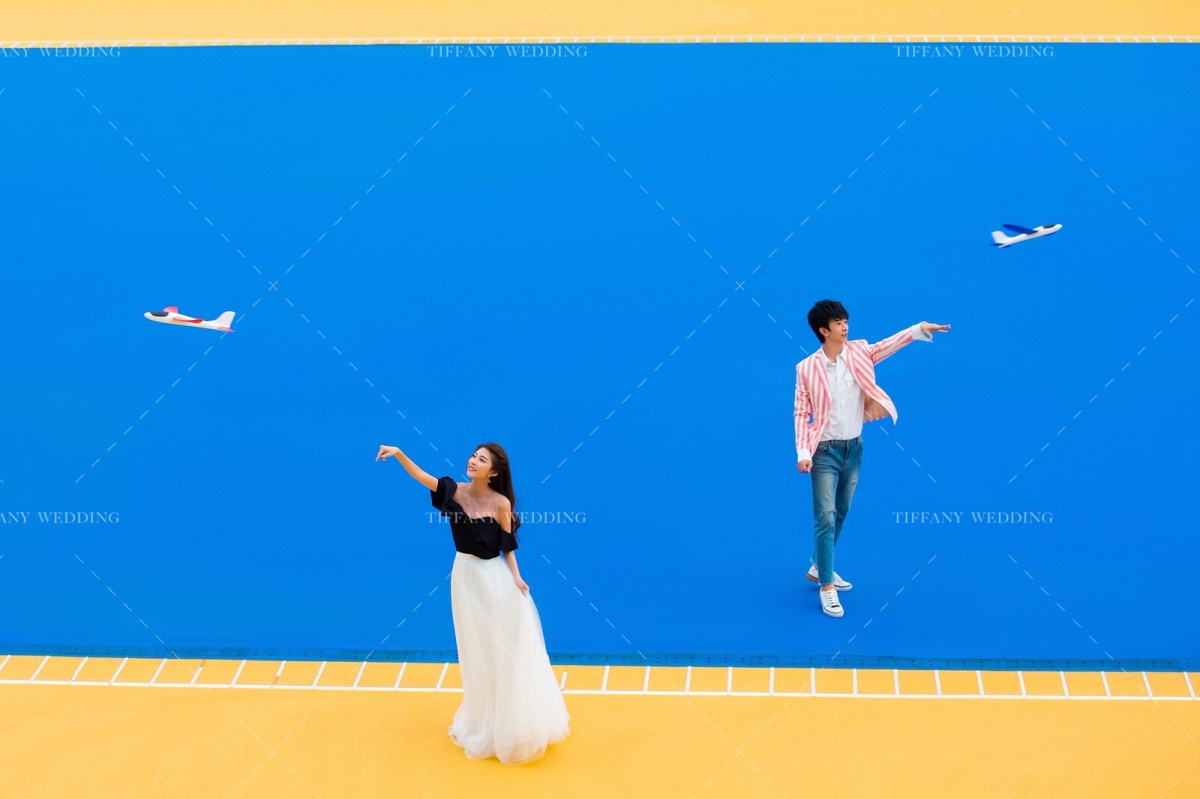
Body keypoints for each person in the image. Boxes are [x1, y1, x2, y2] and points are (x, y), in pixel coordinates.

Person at [376, 441, 570, 763]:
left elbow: (507, 545)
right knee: (475, 649)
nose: (473, 461)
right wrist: (398, 454)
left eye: (482, 460)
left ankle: (511, 722)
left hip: (493, 578)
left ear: (493, 472)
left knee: (501, 648)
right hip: (464, 576)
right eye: (474, 456)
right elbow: (421, 476)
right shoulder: (454, 491)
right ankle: (485, 722)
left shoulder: (501, 502)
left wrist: (517, 577)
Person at [794, 300, 950, 618]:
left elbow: (886, 346)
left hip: (854, 449)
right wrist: (803, 452)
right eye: (838, 323)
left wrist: (917, 329)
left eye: (845, 320)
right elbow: (801, 411)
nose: (845, 327)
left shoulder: (860, 351)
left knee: (841, 513)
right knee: (825, 517)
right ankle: (826, 586)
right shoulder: (806, 368)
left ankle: (819, 566)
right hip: (823, 451)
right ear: (824, 330)